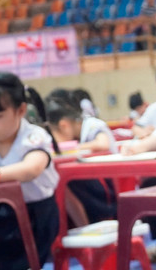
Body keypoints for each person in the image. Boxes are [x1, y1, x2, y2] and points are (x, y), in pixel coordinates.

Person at [0, 73, 59, 270]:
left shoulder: (34, 137)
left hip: (35, 218)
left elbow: (31, 169)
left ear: (21, 110)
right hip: (2, 216)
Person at [46, 95, 117, 225]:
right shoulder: (77, 132)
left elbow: (103, 144)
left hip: (110, 184)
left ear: (64, 125)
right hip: (92, 183)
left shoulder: (92, 125)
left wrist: (70, 147)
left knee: (68, 182)